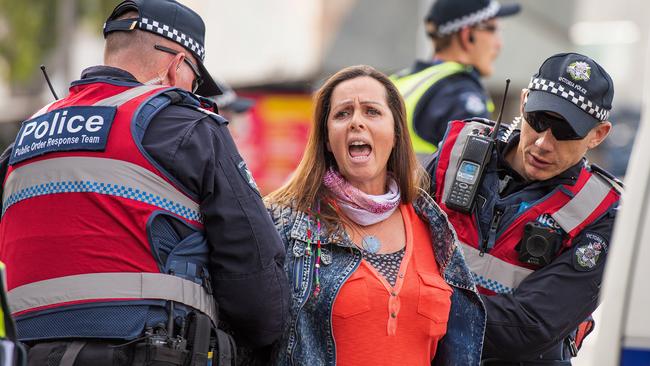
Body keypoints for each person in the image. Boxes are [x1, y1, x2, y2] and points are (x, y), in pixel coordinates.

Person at [0, 0, 288, 364]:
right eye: (195, 79)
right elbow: (256, 284)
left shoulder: (24, 141)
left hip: (26, 352)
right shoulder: (189, 127)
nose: (194, 91)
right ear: (176, 65)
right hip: (143, 349)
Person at [264, 65, 485, 366]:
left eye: (371, 111)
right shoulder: (283, 224)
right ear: (327, 140)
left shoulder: (433, 225)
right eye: (343, 114)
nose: (356, 122)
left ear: (395, 133)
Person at [426, 52, 621, 364]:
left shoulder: (601, 212)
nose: (544, 143)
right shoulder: (458, 150)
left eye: (566, 132)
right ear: (524, 101)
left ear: (598, 135)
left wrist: (416, 307)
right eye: (539, 120)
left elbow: (530, 326)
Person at [391, 0, 520, 159]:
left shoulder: (401, 79)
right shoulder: (460, 94)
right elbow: (471, 172)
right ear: (467, 36)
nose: (499, 44)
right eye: (493, 29)